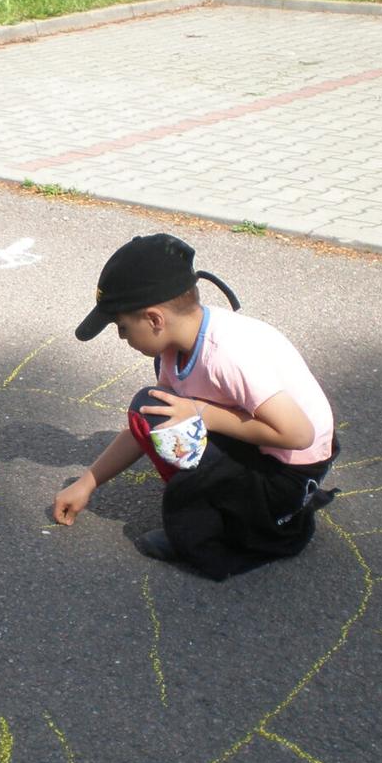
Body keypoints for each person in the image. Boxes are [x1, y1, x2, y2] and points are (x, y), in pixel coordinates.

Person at [52, 234, 338, 580]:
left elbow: (298, 433)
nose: (122, 338)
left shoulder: (226, 353)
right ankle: (226, 505)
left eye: (123, 328)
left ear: (155, 319)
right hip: (269, 455)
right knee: (155, 410)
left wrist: (203, 413)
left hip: (287, 476)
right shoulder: (177, 345)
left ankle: (223, 529)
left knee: (166, 419)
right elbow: (146, 422)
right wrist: (87, 483)